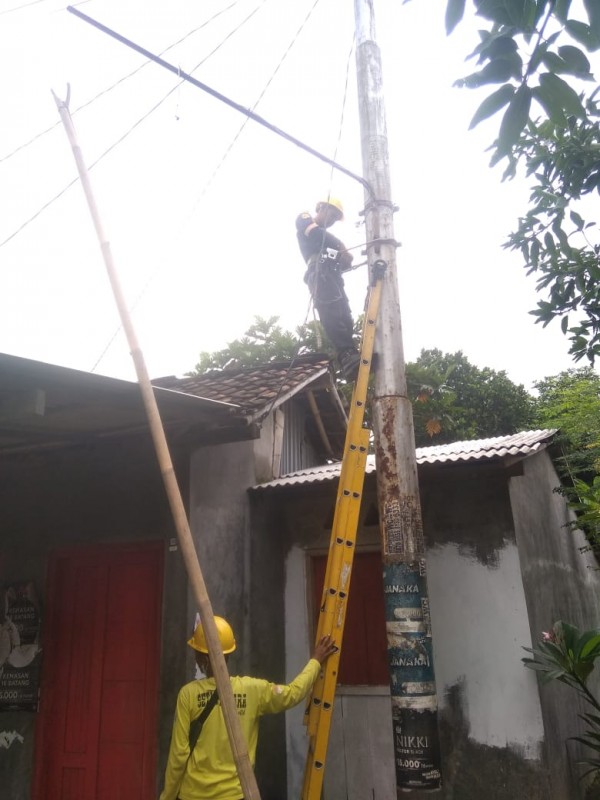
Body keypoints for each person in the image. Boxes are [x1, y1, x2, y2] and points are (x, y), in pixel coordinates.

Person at [159, 615, 336, 800]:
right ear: (228, 653)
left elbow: (179, 755)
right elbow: (293, 693)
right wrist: (316, 661)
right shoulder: (252, 690)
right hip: (235, 795)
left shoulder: (188, 695)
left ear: (202, 657)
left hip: (193, 795)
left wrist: (167, 796)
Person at [296, 197, 361, 381]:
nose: (332, 221)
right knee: (331, 312)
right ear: (321, 208)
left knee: (345, 316)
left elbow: (338, 258)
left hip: (333, 276)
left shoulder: (327, 241)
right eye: (331, 215)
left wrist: (344, 260)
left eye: (335, 219)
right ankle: (346, 354)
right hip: (319, 274)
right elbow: (315, 233)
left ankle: (349, 356)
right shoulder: (305, 219)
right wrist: (341, 247)